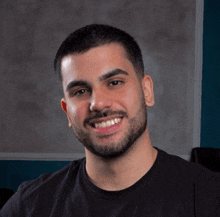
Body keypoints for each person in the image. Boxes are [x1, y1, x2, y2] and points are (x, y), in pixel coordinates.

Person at [1, 24, 220, 216]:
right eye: (80, 91)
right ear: (67, 111)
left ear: (147, 91)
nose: (98, 103)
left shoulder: (209, 198)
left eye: (114, 83)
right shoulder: (29, 207)